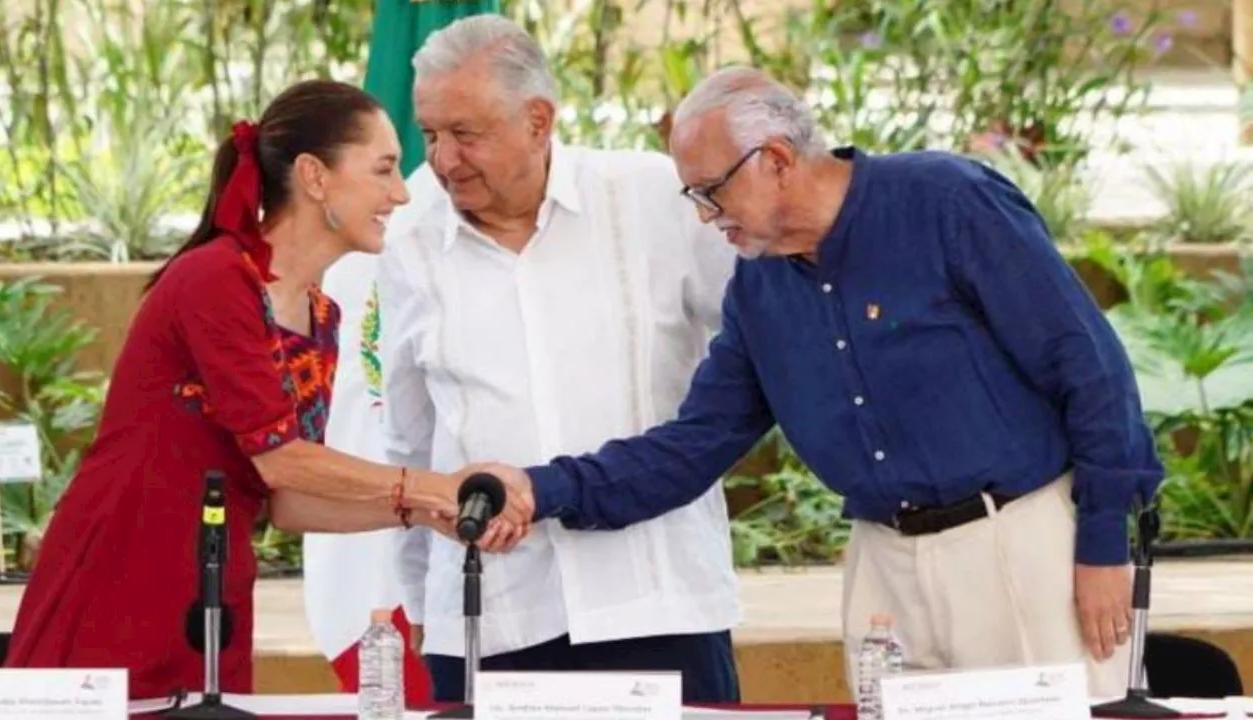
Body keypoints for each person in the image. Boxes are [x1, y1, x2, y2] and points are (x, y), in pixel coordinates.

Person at [480, 66, 1165, 699]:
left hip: (1018, 546)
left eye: (711, 192)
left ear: (775, 159)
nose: (703, 216)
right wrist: (540, 489)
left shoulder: (948, 203)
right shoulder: (759, 288)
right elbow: (694, 446)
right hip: (883, 572)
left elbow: (1091, 368)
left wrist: (1103, 544)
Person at [3, 78, 529, 701]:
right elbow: (281, 456)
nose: (402, 192)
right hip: (117, 575)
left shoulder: (322, 316)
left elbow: (286, 498)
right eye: (384, 169)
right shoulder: (216, 278)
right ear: (314, 176)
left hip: (211, 593)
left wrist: (429, 512)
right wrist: (432, 484)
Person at [374, 15, 744, 704]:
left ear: (538, 120)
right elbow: (410, 437)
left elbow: (755, 344)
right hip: (491, 612)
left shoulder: (653, 198)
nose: (444, 160)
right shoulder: (405, 241)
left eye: (465, 134)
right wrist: (424, 606)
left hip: (655, 596)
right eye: (430, 134)